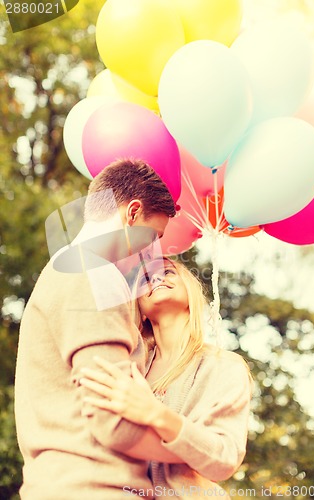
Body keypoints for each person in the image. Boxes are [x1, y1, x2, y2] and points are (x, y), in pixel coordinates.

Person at [14, 159, 177, 500]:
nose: (153, 252)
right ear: (132, 213)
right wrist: (197, 452)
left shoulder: (71, 268)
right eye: (154, 236)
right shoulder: (94, 272)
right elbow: (114, 423)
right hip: (94, 488)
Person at [79, 257, 253, 499]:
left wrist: (154, 413)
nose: (158, 278)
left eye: (169, 272)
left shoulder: (224, 366)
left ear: (190, 292)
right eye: (146, 279)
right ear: (138, 307)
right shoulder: (129, 367)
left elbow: (223, 458)